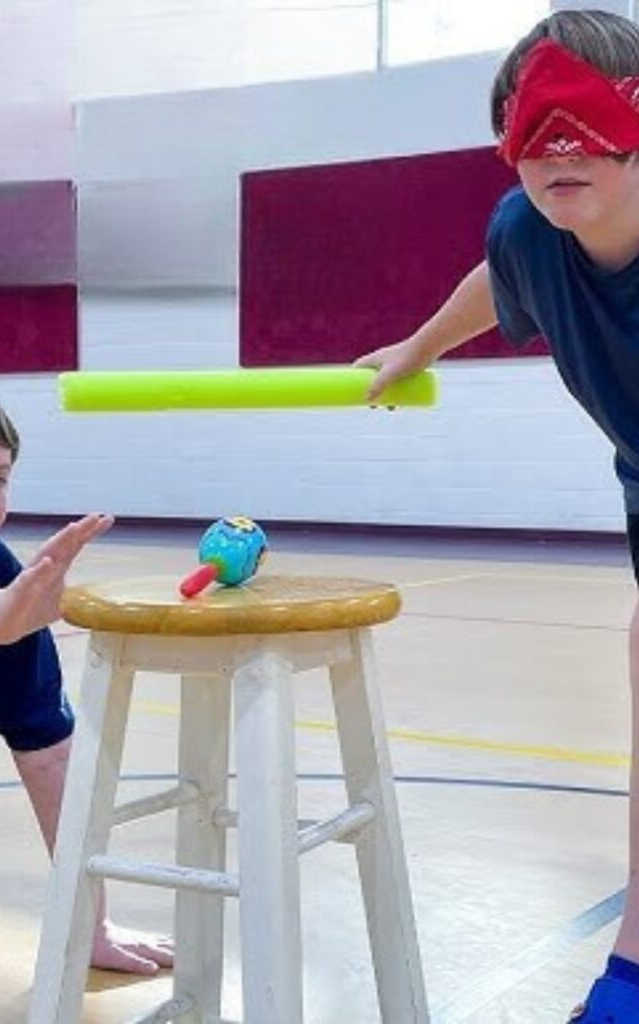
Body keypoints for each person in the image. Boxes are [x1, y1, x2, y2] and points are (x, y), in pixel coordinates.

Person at [356, 8, 639, 1022]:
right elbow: (497, 278)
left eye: (587, 121)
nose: (560, 150)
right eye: (532, 127)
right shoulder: (525, 232)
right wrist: (417, 347)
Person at [0, 378, 173, 975]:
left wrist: (91, 924)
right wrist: (18, 611)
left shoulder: (2, 578)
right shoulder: (8, 598)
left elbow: (50, 759)